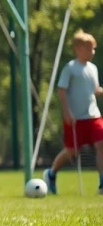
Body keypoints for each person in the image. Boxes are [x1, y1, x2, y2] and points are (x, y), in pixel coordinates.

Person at [43, 30, 103, 195]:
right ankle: (51, 173)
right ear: (78, 49)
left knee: (101, 143)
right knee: (72, 151)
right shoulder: (70, 68)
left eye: (93, 48)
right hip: (75, 118)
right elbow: (62, 90)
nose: (93, 52)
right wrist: (67, 112)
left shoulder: (93, 68)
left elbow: (95, 89)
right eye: (90, 48)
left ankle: (102, 182)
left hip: (93, 115)